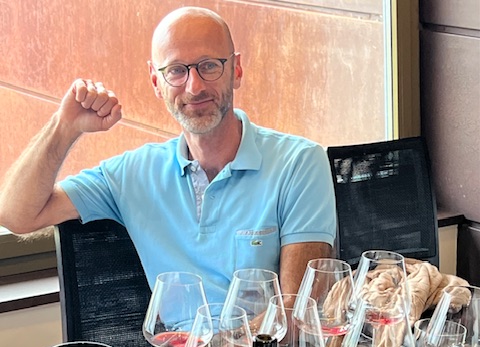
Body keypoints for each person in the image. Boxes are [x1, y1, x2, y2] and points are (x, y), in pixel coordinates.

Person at [0, 6, 335, 303]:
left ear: (236, 70)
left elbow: (298, 313)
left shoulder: (299, 163)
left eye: (209, 66)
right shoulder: (133, 174)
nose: (194, 87)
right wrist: (64, 127)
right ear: (156, 82)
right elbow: (16, 216)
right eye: (176, 70)